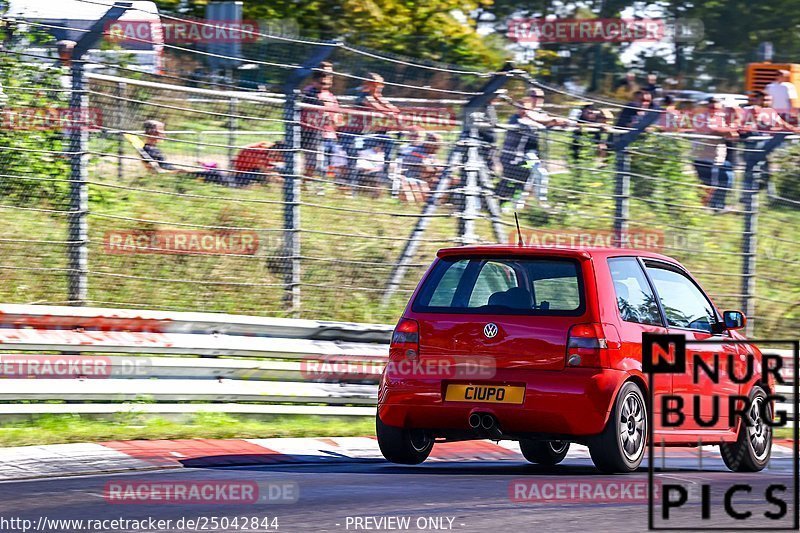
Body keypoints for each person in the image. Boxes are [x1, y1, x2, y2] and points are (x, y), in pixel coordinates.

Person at [497, 88, 566, 208]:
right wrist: (550, 121)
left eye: (541, 97)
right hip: (515, 157)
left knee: (527, 177)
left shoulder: (538, 114)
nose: (538, 100)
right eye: (534, 96)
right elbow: (537, 122)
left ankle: (519, 204)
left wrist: (559, 122)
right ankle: (504, 202)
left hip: (528, 157)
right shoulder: (518, 118)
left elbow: (543, 120)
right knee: (517, 178)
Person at [339, 73, 399, 187]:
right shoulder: (364, 96)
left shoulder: (377, 97)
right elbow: (380, 109)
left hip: (366, 135)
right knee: (353, 153)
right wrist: (388, 112)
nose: (380, 87)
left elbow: (394, 110)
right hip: (351, 134)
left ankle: (385, 174)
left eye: (381, 84)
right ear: (368, 84)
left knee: (389, 142)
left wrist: (390, 111)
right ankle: (350, 182)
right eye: (376, 84)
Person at [141, 120, 230, 185]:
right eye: (161, 130)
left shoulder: (153, 148)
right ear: (152, 132)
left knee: (215, 170)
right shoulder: (148, 150)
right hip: (175, 175)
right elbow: (157, 171)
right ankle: (233, 187)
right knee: (215, 174)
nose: (164, 133)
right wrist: (180, 171)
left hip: (176, 172)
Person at [691, 99, 738, 212]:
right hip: (702, 157)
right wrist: (729, 130)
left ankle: (716, 206)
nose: (714, 110)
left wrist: (729, 130)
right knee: (706, 184)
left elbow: (732, 136)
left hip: (717, 158)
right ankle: (702, 207)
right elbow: (712, 130)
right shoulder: (701, 118)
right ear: (708, 107)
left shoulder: (720, 119)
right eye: (712, 107)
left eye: (717, 108)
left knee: (722, 181)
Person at [299, 61, 343, 181]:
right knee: (314, 163)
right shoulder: (311, 92)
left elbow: (336, 114)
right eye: (327, 72)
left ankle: (315, 184)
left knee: (329, 164)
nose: (329, 75)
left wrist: (336, 121)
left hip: (329, 134)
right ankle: (305, 184)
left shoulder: (329, 94)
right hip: (313, 133)